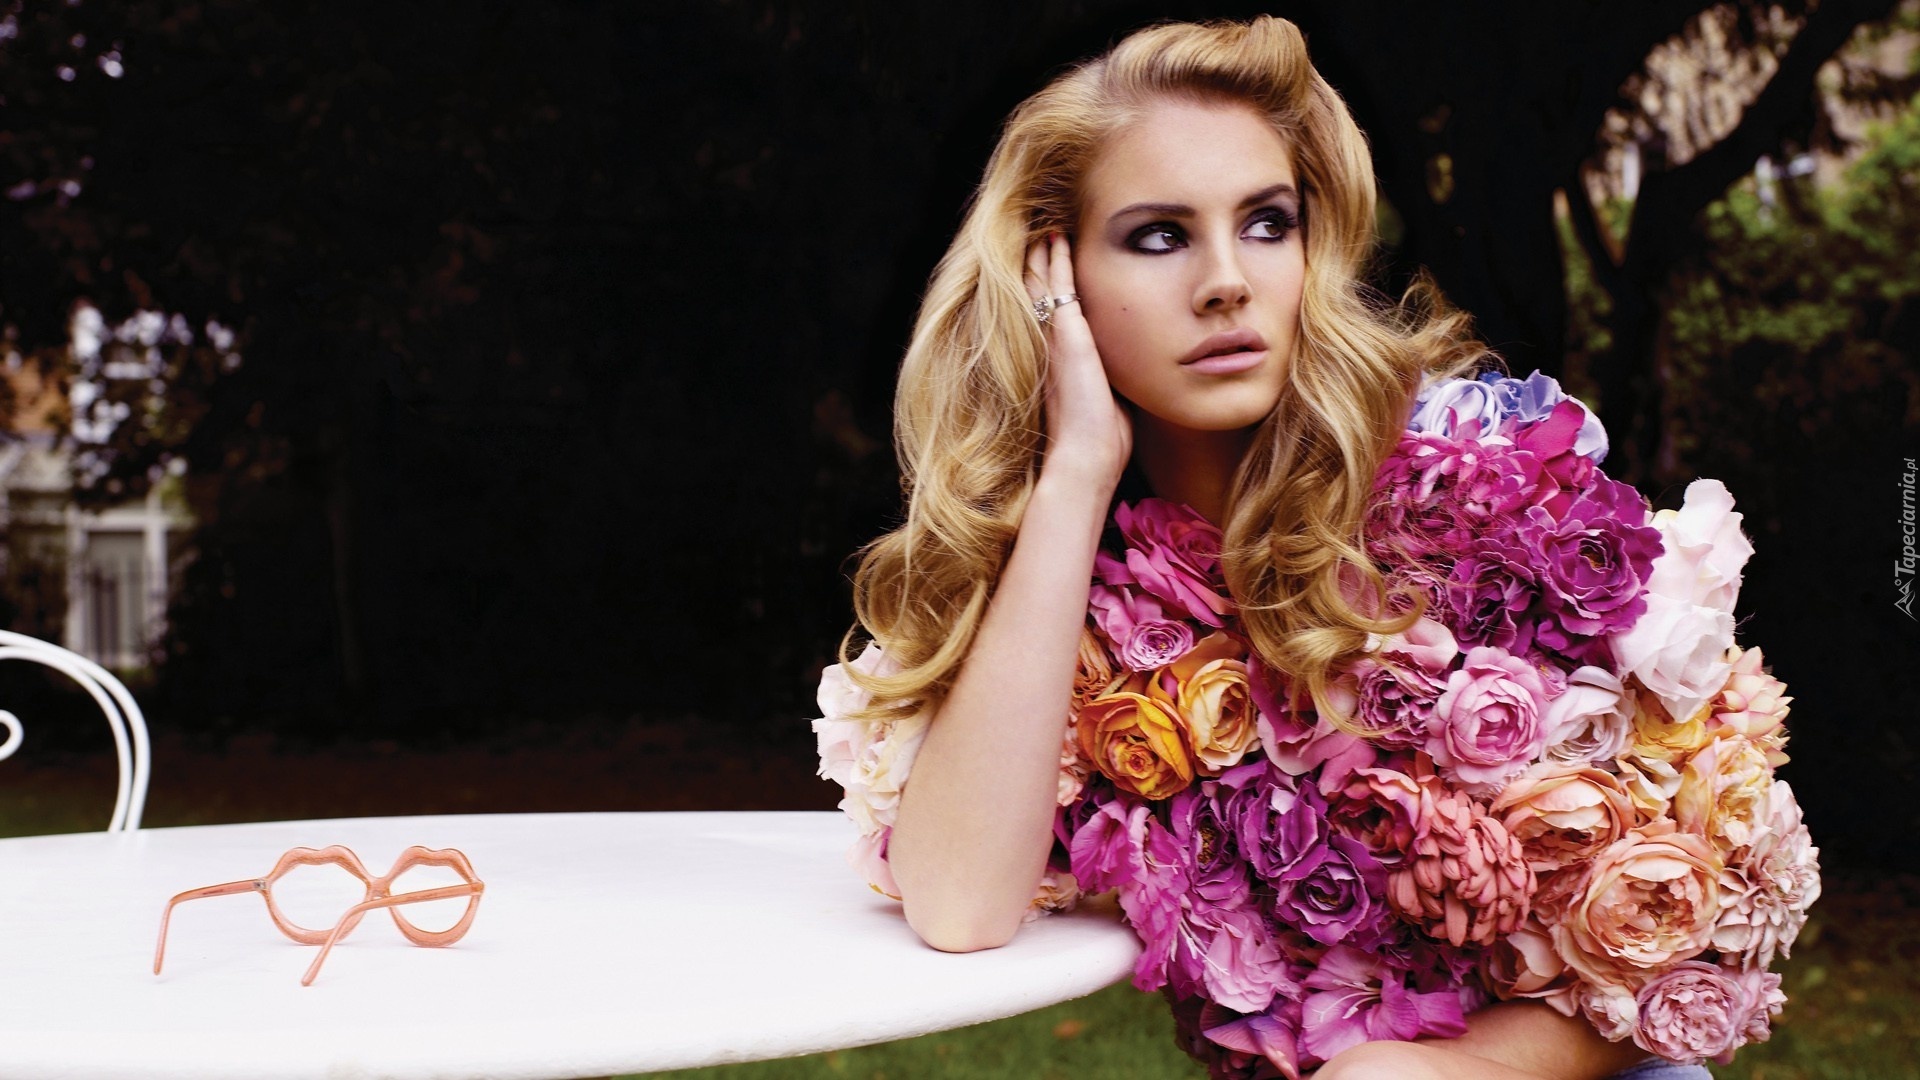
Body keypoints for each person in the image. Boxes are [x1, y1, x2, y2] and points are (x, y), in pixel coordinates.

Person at [837, 16, 1711, 1080]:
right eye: (1159, 236)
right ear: (1050, 279)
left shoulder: (1475, 493)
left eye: (1265, 223)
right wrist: (1077, 475)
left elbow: (1674, 924)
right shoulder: (1067, 579)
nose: (1226, 281)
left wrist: (1416, 1074)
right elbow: (961, 906)